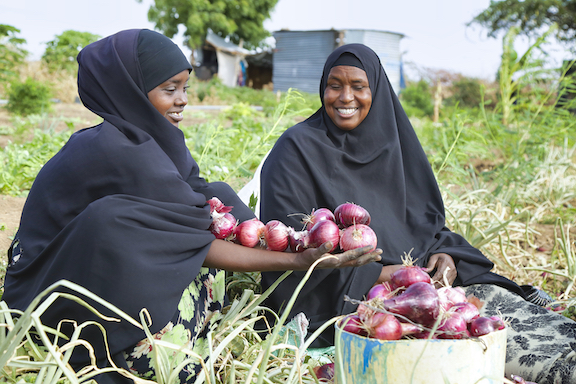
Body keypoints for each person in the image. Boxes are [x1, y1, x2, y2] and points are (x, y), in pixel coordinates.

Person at [2, 30, 382, 384]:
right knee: (115, 222)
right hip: (48, 292)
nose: (183, 99)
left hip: (90, 268)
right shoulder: (119, 150)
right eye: (170, 89)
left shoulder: (145, 137)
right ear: (130, 91)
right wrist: (298, 261)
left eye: (184, 87)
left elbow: (200, 203)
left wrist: (286, 238)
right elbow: (194, 237)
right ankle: (129, 347)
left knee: (216, 195)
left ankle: (230, 302)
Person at [258, 43, 576, 384]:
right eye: (334, 85)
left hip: (434, 287)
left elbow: (425, 226)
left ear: (376, 90)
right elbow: (294, 254)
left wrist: (445, 257)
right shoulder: (295, 152)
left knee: (537, 332)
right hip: (364, 305)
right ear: (323, 87)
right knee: (525, 360)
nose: (344, 97)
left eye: (358, 86)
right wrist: (389, 276)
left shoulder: (393, 146)